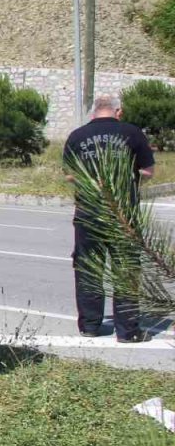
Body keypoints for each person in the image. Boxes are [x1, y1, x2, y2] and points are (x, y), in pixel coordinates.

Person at [63, 94, 155, 342]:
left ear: (94, 113)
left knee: (88, 268)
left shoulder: (77, 136)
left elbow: (69, 175)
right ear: (119, 112)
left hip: (88, 212)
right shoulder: (133, 133)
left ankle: (90, 325)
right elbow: (147, 171)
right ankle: (128, 331)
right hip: (122, 212)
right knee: (125, 270)